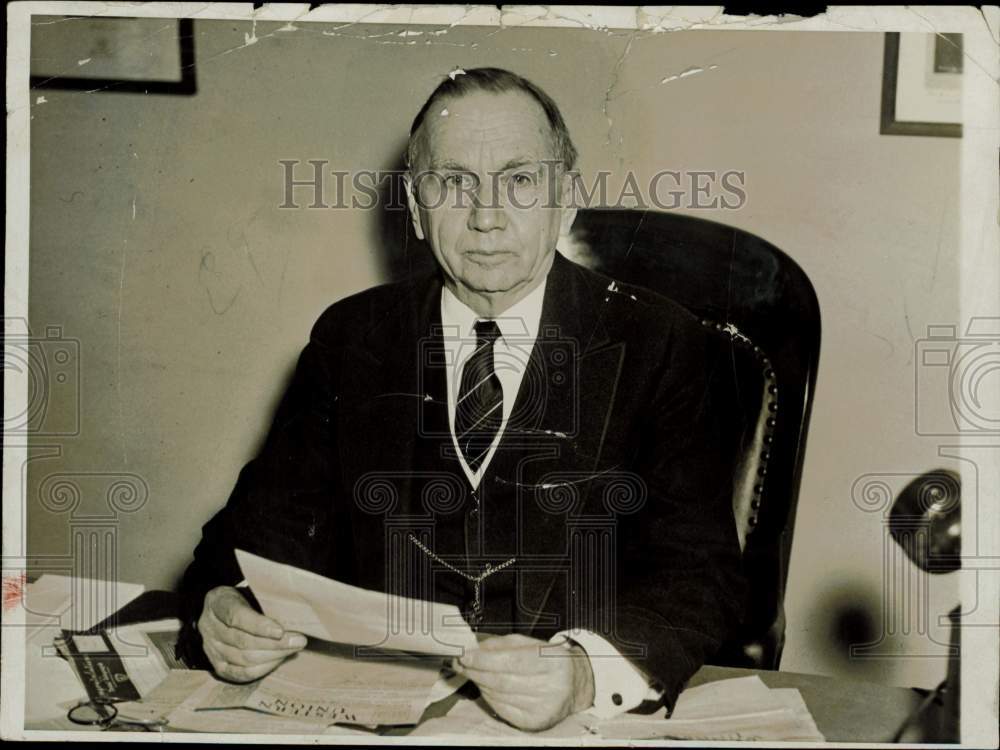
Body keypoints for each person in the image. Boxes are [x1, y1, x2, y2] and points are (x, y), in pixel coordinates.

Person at [178, 67, 746, 732]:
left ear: (566, 197)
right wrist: (224, 609)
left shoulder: (659, 343)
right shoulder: (353, 337)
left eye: (520, 180)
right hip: (381, 713)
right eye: (452, 183)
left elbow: (700, 572)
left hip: (580, 723)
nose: (485, 217)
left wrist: (587, 672)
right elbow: (253, 537)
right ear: (416, 210)